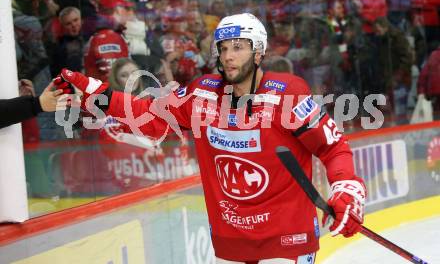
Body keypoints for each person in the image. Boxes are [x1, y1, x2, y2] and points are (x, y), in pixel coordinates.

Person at [55, 13, 366, 263]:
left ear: (259, 52)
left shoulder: (287, 94)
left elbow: (332, 146)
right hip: (232, 238)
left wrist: (347, 189)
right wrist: (92, 92)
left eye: (239, 47)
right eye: (223, 48)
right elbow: (145, 114)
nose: (228, 56)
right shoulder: (202, 93)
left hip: (287, 238)